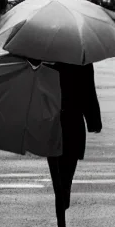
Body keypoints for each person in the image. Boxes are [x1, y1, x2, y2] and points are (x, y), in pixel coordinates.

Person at [46, 63, 102, 211]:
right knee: (66, 173)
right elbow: (88, 91)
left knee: (57, 171)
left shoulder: (44, 55)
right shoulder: (81, 57)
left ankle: (61, 197)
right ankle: (63, 196)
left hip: (51, 121)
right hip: (72, 121)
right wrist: (94, 121)